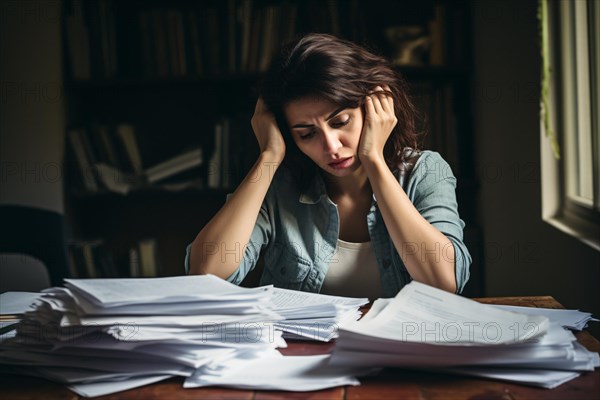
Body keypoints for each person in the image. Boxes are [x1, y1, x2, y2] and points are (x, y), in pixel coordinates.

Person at [186, 33, 471, 299]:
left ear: (375, 108)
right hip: (301, 351)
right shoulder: (278, 187)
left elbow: (443, 282)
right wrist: (269, 156)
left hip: (402, 349)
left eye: (340, 122)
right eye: (306, 133)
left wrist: (374, 158)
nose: (331, 146)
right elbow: (206, 274)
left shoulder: (425, 172)